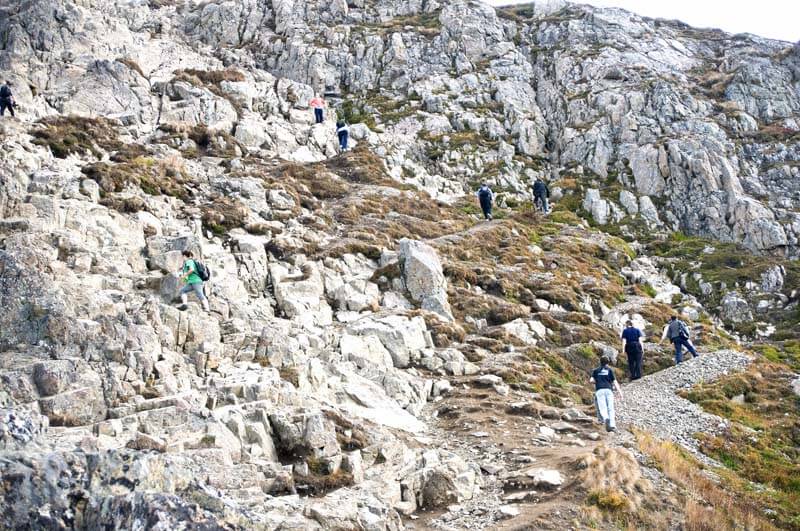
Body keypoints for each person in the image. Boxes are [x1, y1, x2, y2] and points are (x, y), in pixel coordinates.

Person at [590, 355, 623, 432]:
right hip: (609, 390)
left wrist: (597, 381)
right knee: (611, 408)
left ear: (600, 362)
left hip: (600, 390)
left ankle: (606, 419)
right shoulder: (610, 370)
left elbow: (591, 380)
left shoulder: (596, 370)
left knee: (603, 407)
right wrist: (620, 392)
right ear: (608, 362)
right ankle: (612, 425)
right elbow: (614, 381)